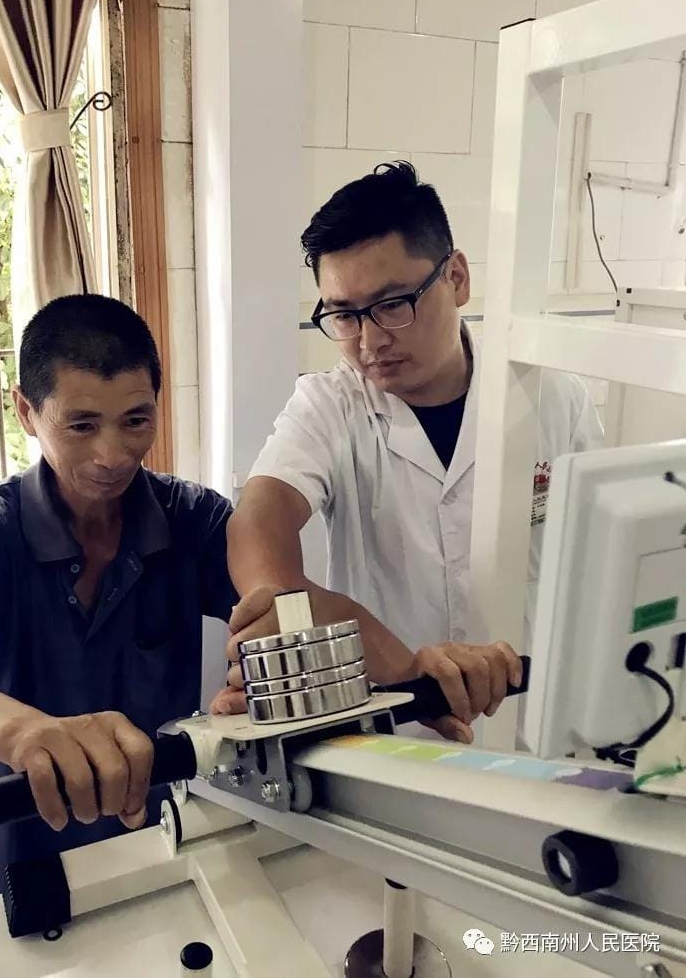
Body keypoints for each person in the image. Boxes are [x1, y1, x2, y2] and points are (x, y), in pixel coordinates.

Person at [217, 162, 603, 738]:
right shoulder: (331, 404)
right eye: (343, 315)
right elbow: (258, 521)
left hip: (535, 723)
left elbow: (599, 559)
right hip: (396, 726)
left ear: (457, 278)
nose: (369, 341)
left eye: (393, 304)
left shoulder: (554, 398)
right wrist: (287, 609)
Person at [0, 294, 240, 904]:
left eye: (136, 420)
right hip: (1, 855)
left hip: (144, 840)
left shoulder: (193, 519)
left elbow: (277, 608)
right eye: (82, 426)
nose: (113, 455)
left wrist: (260, 672)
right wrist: (26, 734)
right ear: (26, 411)